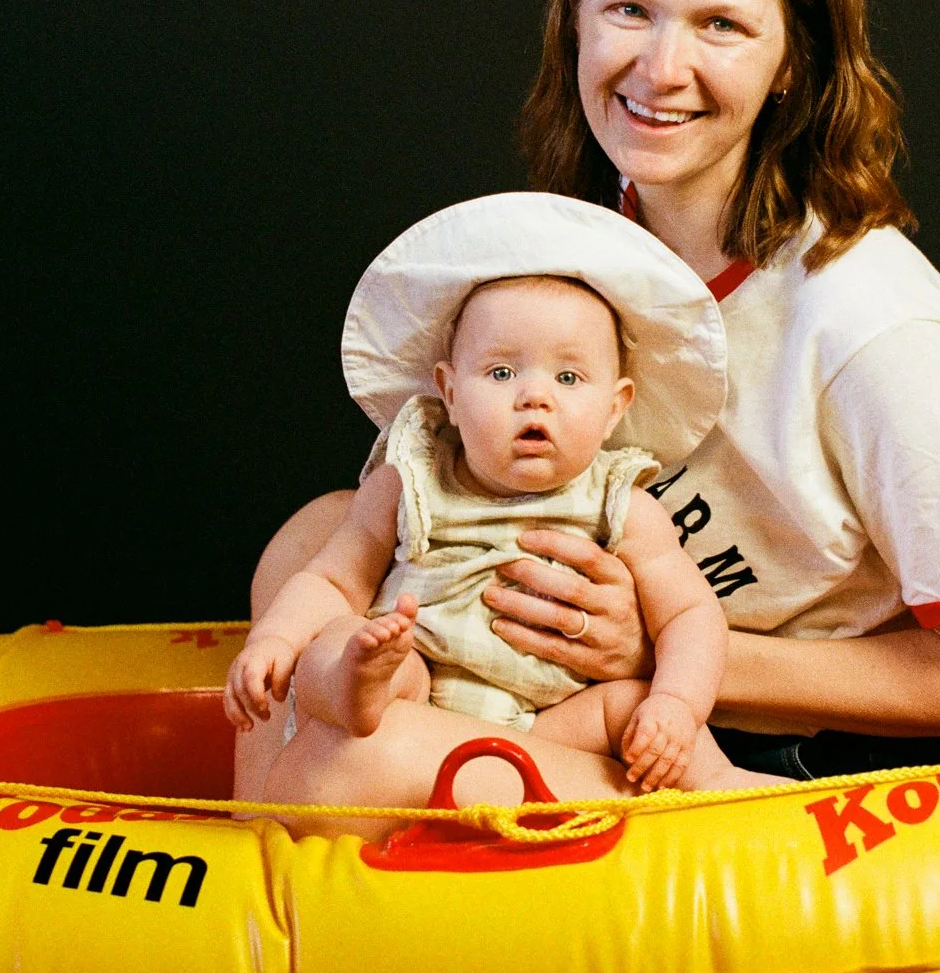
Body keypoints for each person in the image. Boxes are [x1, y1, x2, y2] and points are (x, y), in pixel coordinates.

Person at [235, 0, 940, 833]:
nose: (660, 68)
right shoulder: (595, 246)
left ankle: (694, 822)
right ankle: (370, 813)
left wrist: (669, 654)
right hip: (560, 681)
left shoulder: (871, 327)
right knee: (316, 539)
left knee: (331, 773)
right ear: (573, 16)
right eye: (629, 9)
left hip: (770, 733)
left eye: (720, 25)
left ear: (791, 64)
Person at [224, 196, 775, 793]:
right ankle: (363, 686)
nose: (534, 397)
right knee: (336, 643)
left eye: (568, 378)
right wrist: (274, 640)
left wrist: (676, 702)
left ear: (616, 407)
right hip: (417, 683)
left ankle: (729, 793)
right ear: (450, 392)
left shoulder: (622, 505)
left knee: (631, 703)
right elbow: (333, 580)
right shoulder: (408, 480)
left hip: (547, 726)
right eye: (502, 373)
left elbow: (692, 614)